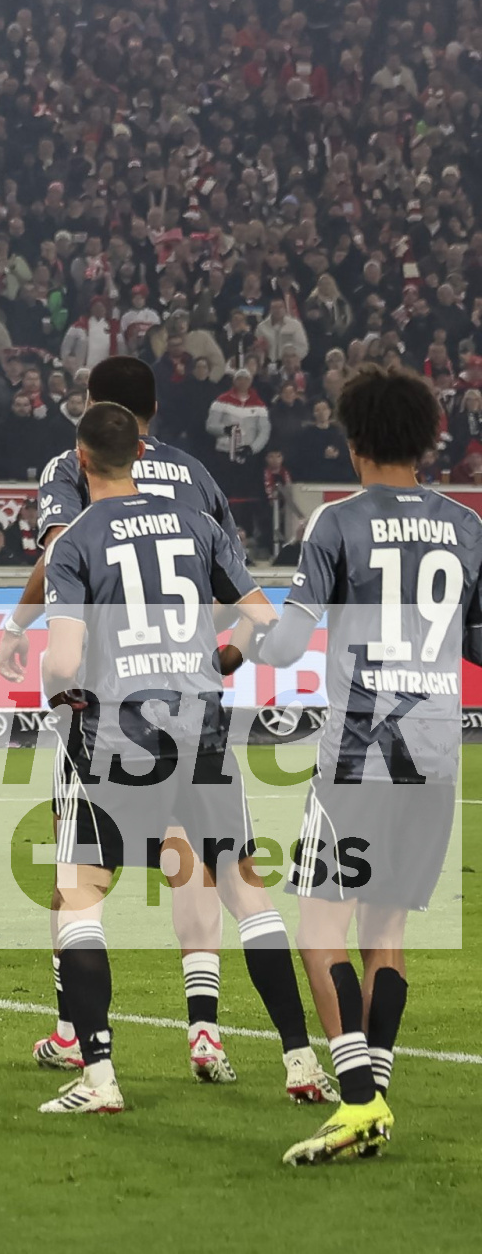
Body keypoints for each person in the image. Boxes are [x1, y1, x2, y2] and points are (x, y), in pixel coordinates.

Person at [36, 402, 325, 1114]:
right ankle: (300, 1060)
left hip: (118, 732)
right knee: (246, 890)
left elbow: (64, 661)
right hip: (201, 726)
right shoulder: (197, 524)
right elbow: (265, 622)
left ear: (81, 459)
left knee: (81, 892)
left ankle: (100, 1078)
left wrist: (57, 689)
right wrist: (218, 650)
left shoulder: (75, 540)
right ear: (140, 452)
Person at [0, 358, 262, 1083]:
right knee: (192, 860)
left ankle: (72, 1032)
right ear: (155, 411)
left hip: (106, 698)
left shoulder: (71, 463)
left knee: (78, 868)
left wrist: (17, 624)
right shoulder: (197, 475)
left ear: (91, 408)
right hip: (191, 695)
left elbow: (61, 553)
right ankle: (205, 1032)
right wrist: (210, 646)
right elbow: (233, 580)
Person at [246, 367, 482, 1165]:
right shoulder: (466, 525)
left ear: (353, 442)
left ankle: (356, 1099)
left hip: (358, 755)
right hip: (436, 757)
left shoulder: (337, 521)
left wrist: (240, 640)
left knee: (321, 929)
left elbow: (288, 643)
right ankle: (374, 1093)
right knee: (386, 929)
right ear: (426, 440)